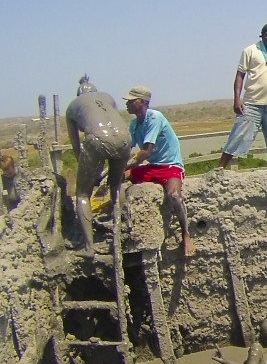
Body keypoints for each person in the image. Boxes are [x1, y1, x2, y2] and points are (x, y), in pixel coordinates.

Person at [65, 76, 132, 256]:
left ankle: (89, 247)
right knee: (116, 184)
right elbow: (115, 121)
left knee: (82, 194)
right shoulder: (108, 97)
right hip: (125, 138)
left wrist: (88, 168)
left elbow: (76, 145)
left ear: (79, 93)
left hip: (96, 139)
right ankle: (125, 226)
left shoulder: (73, 106)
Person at [124, 86, 194, 256]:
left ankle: (186, 234)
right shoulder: (134, 125)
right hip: (153, 166)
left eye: (131, 100)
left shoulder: (154, 118)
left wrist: (127, 165)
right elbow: (128, 149)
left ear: (143, 102)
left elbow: (146, 151)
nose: (127, 104)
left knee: (174, 196)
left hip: (170, 165)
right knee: (120, 178)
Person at [218, 22, 267, 171]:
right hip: (252, 103)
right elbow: (240, 76)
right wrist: (237, 99)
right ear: (266, 35)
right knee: (239, 136)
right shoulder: (250, 51)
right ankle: (219, 169)